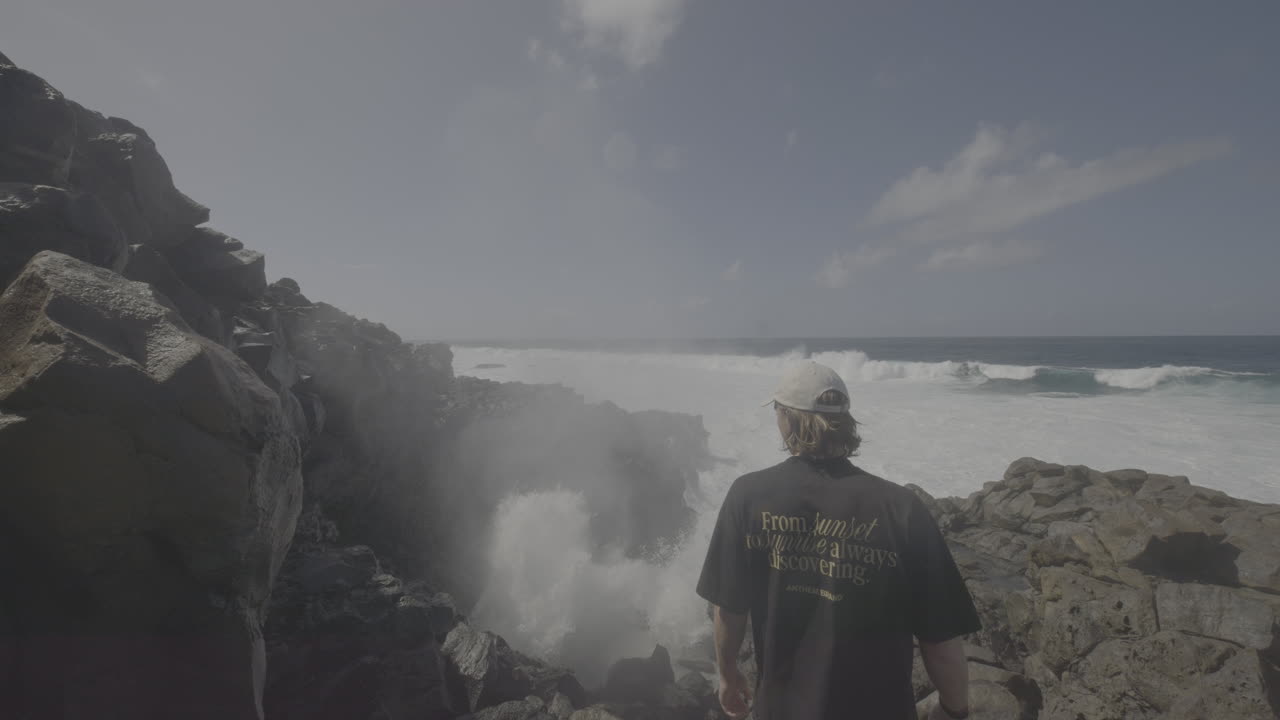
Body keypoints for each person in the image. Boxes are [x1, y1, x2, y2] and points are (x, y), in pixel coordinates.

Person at [696, 360, 981, 720]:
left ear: (786, 418)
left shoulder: (747, 496)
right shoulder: (901, 509)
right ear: (845, 422)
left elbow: (729, 608)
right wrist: (955, 710)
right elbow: (940, 640)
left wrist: (727, 673)